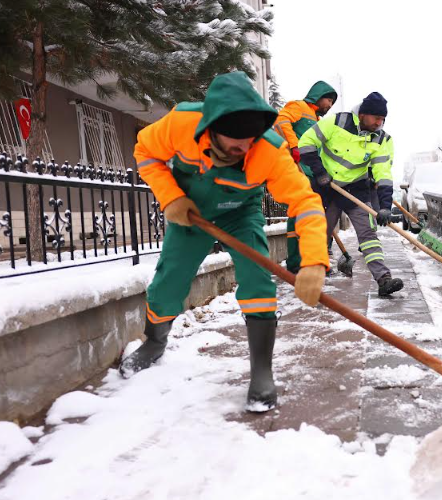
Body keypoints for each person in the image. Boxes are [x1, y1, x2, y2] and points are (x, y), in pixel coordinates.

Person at [121, 72, 329, 413]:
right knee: (170, 280)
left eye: (249, 140)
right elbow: (145, 152)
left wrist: (313, 261)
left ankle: (262, 372)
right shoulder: (182, 122)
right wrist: (171, 198)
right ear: (211, 128)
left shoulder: (269, 149)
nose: (245, 148)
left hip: (240, 212)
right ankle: (154, 343)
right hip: (191, 210)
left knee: (258, 277)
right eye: (235, 142)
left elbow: (305, 202)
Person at [298, 92, 403, 296]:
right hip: (328, 188)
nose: (379, 123)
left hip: (356, 189)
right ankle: (310, 281)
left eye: (383, 119)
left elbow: (383, 174)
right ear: (363, 114)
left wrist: (384, 207)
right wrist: (319, 172)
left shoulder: (380, 139)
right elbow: (306, 143)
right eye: (376, 118)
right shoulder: (337, 122)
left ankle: (384, 280)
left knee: (368, 235)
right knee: (320, 234)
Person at [272, 81, 338, 274]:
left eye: (332, 103)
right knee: (300, 214)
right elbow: (281, 121)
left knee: (311, 214)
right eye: (328, 100)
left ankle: (311, 260)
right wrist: (294, 146)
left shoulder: (317, 120)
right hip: (297, 169)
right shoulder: (298, 106)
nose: (329, 105)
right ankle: (297, 261)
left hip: (310, 172)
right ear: (319, 95)